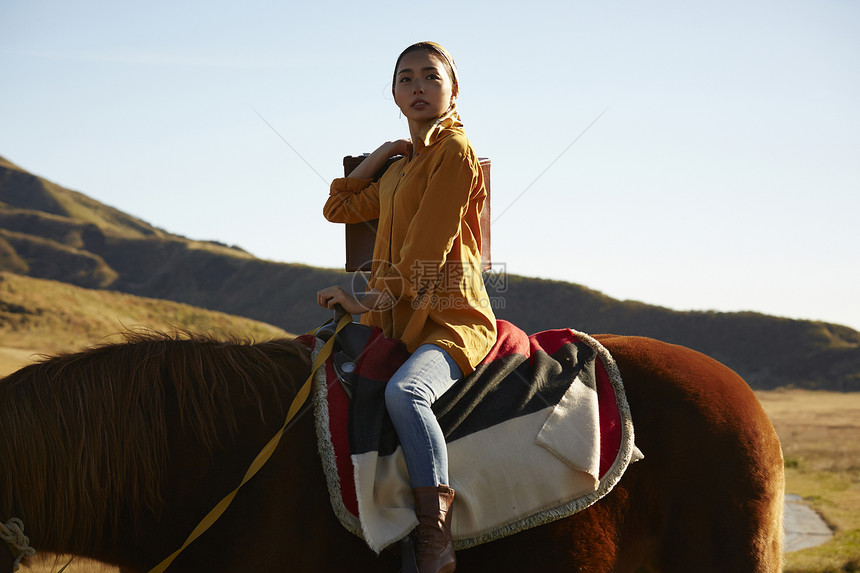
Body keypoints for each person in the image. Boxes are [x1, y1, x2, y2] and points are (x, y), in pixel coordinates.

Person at [316, 41, 497, 573]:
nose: (418, 86)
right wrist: (386, 151)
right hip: (395, 316)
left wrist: (363, 297)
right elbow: (339, 207)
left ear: (452, 90)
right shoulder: (400, 169)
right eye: (406, 79)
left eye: (430, 77)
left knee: (406, 392)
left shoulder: (455, 153)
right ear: (395, 95)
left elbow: (426, 250)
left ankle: (436, 538)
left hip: (449, 318)